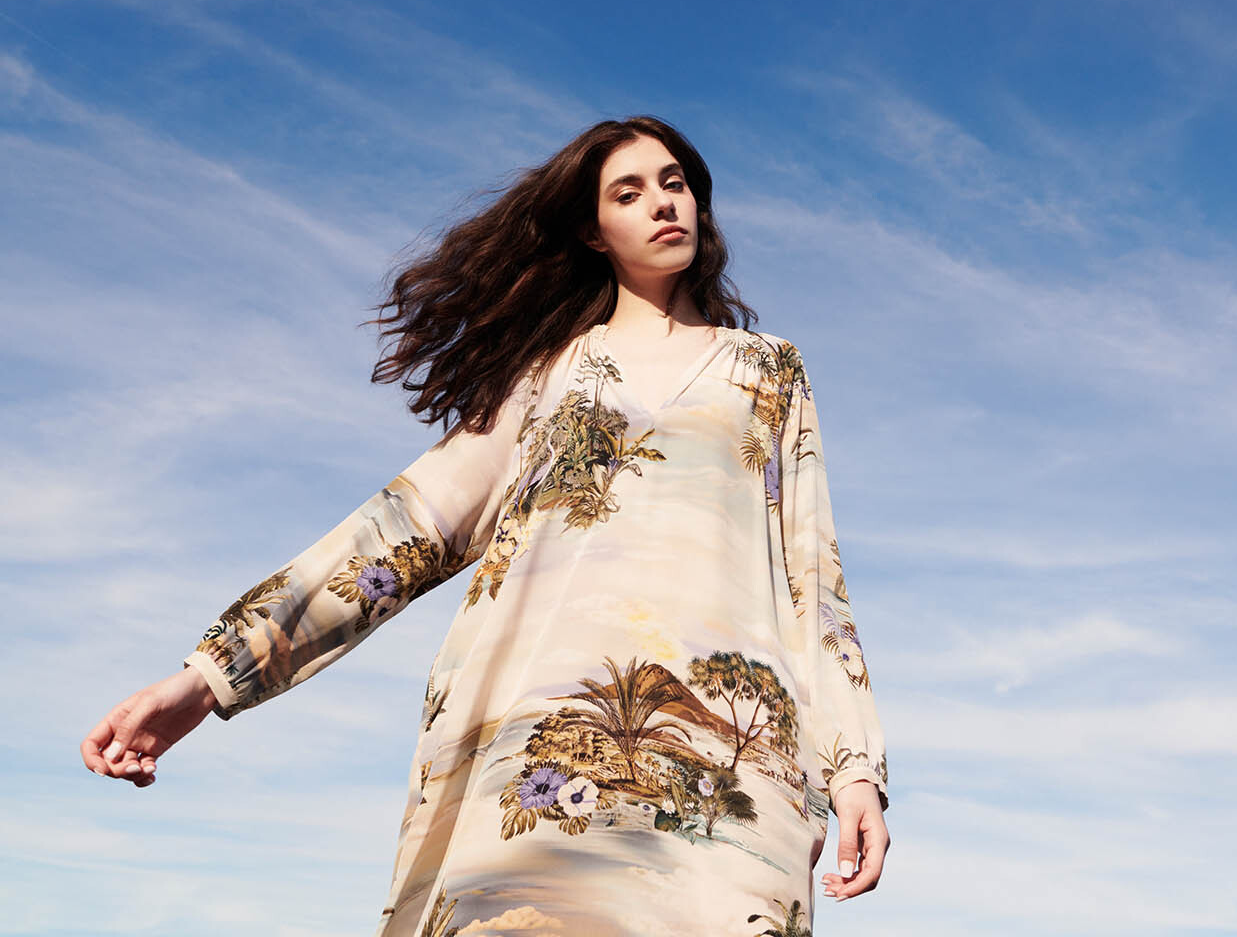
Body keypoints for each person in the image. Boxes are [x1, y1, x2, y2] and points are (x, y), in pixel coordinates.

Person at [80, 116, 892, 936]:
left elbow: (811, 577)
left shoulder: (767, 369)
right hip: (539, 749)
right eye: (628, 192)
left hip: (731, 759)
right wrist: (211, 677)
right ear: (593, 231)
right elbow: (402, 530)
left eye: (674, 183)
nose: (661, 203)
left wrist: (853, 768)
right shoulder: (547, 375)